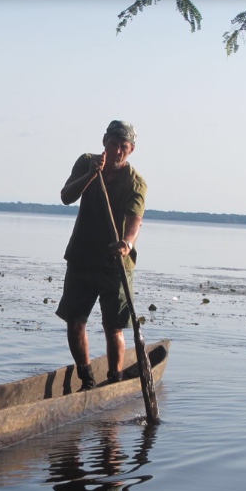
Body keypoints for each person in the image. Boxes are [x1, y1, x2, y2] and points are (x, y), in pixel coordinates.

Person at [55, 120, 147, 391]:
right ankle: (87, 381)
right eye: (114, 144)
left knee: (113, 327)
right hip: (82, 257)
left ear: (131, 151)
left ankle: (114, 383)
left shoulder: (135, 183)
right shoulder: (86, 162)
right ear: (105, 140)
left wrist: (126, 244)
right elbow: (66, 196)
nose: (118, 151)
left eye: (124, 147)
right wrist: (90, 176)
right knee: (75, 322)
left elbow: (135, 221)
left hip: (115, 264)